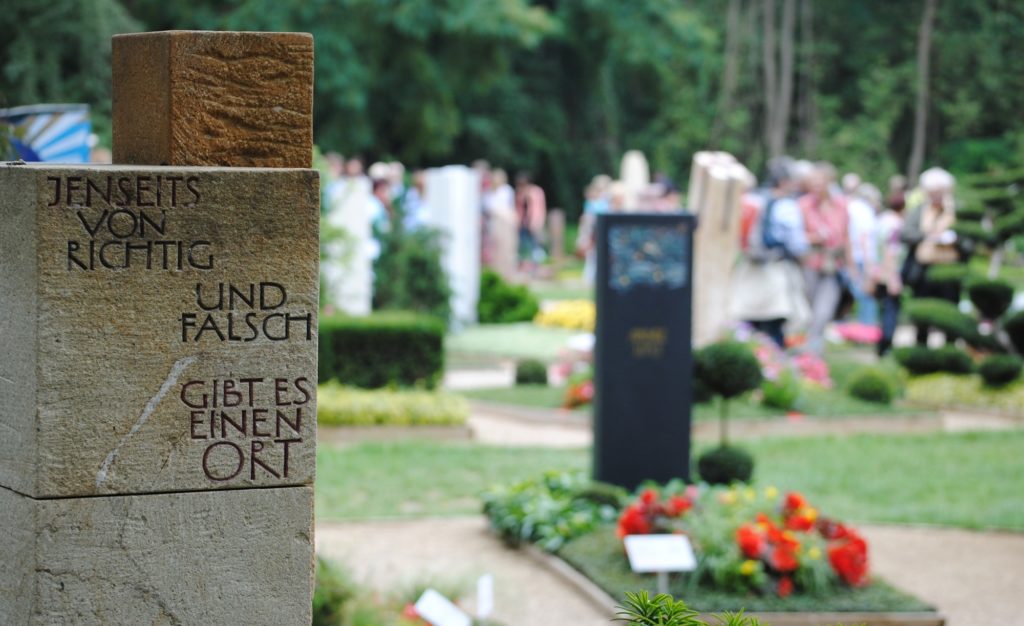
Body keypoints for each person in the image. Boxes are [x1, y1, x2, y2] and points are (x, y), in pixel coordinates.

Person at [729, 158, 809, 349]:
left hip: (748, 269)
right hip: (774, 269)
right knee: (775, 326)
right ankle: (775, 368)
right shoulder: (786, 207)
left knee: (748, 327)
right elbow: (798, 245)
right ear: (783, 181)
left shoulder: (752, 201)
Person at [900, 167, 959, 345]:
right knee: (922, 314)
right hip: (924, 269)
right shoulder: (920, 211)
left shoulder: (955, 212)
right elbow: (906, 233)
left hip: (949, 269)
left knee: (950, 313)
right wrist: (927, 235)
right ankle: (921, 346)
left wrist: (953, 239)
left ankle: (950, 349)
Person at [800, 162, 853, 355]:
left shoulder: (841, 205)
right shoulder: (804, 205)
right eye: (813, 182)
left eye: (819, 182)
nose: (816, 186)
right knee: (811, 310)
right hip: (810, 263)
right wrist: (814, 238)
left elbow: (847, 237)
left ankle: (812, 352)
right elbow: (796, 236)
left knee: (824, 310)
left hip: (833, 265)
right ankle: (812, 351)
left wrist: (853, 268)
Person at [872, 185, 906, 356]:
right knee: (891, 311)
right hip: (890, 272)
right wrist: (893, 276)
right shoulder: (896, 225)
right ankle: (885, 347)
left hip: (878, 272)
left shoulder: (881, 220)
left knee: (883, 309)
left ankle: (881, 345)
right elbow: (890, 251)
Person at [846, 181, 880, 326]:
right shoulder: (865, 211)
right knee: (868, 294)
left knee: (857, 293)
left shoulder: (849, 207)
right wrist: (869, 264)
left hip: (851, 255)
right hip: (863, 257)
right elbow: (865, 237)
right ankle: (867, 328)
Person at [514, 172, 547, 272]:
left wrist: (537, 223)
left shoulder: (536, 192)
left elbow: (539, 209)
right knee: (521, 246)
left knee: (535, 246)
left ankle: (536, 267)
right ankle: (523, 267)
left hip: (534, 224)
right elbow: (519, 209)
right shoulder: (520, 194)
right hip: (522, 224)